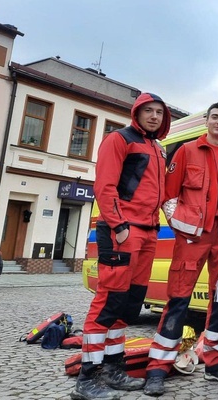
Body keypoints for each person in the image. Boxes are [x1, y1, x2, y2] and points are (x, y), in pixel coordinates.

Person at [144, 102, 218, 397]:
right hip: (193, 238)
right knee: (178, 299)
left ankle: (215, 364)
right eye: (214, 117)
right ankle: (158, 367)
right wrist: (183, 229)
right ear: (207, 121)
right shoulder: (187, 151)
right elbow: (168, 196)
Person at [73, 93, 171, 400]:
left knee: (127, 305)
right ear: (136, 113)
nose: (154, 116)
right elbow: (104, 185)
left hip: (148, 232)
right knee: (107, 301)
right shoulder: (119, 139)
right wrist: (119, 226)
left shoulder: (157, 148)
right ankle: (87, 378)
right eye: (149, 111)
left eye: (159, 112)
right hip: (123, 232)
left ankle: (114, 369)